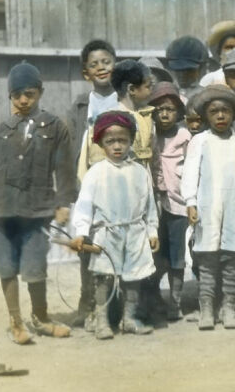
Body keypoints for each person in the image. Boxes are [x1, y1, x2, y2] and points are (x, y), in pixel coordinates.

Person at [0, 62, 74, 344]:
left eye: (29, 93)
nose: (24, 100)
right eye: (17, 95)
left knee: (34, 267)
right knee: (5, 268)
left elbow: (64, 169)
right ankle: (16, 322)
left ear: (40, 92)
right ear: (10, 97)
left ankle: (40, 319)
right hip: (1, 211)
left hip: (36, 211)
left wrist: (64, 201)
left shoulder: (54, 128)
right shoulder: (2, 131)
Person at [70, 111, 159, 339]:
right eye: (111, 141)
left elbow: (149, 205)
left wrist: (152, 231)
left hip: (135, 231)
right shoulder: (96, 173)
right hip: (106, 233)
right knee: (104, 277)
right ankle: (101, 320)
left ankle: (128, 318)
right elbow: (84, 206)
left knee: (134, 277)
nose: (117, 146)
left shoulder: (140, 171)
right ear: (101, 143)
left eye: (123, 140)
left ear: (131, 141)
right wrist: (81, 232)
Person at [181, 85, 235, 330]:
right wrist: (190, 202)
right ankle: (207, 307)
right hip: (207, 207)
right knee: (207, 257)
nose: (220, 116)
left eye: (225, 111)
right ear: (206, 115)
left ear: (233, 114)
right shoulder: (199, 141)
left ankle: (229, 306)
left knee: (233, 256)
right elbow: (190, 173)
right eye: (214, 112)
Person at [66, 39, 119, 326]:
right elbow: (73, 147)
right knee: (87, 243)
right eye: (94, 64)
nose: (101, 68)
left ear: (115, 64)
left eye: (106, 62)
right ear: (86, 73)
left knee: (118, 241)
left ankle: (118, 305)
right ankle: (87, 303)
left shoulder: (124, 98)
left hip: (118, 179)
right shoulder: (80, 105)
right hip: (88, 180)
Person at [148, 82, 191, 321]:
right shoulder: (149, 135)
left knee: (177, 255)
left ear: (179, 113)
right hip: (154, 202)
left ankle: (175, 302)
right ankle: (153, 298)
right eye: (159, 109)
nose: (164, 114)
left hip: (178, 203)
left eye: (170, 109)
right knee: (156, 254)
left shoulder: (185, 136)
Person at [111, 59, 155, 167]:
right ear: (131, 89)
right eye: (148, 87)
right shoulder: (111, 120)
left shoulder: (147, 117)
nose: (151, 91)